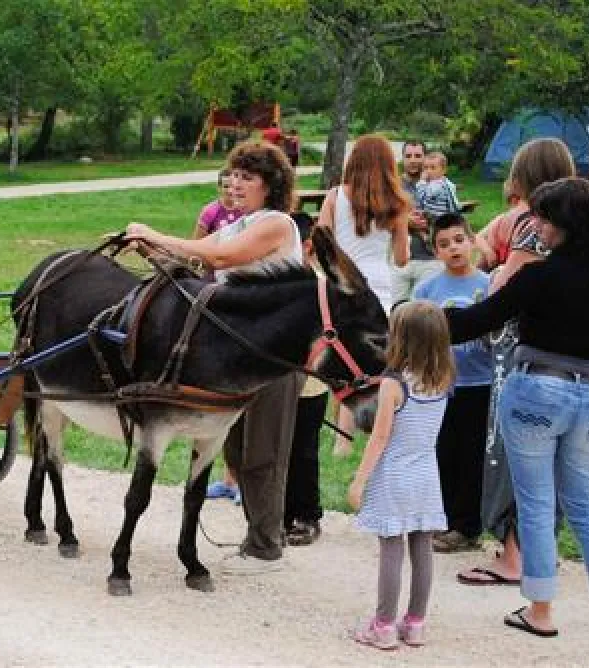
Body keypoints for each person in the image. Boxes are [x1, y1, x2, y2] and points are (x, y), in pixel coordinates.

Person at [445, 176, 589, 639]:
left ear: (562, 224)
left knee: (536, 505)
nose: (535, 224)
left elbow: (478, 321)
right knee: (584, 508)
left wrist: (416, 318)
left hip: (536, 390)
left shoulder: (537, 276)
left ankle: (540, 613)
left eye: (542, 217)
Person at [125, 140, 303, 574]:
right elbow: (196, 252)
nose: (235, 183)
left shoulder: (277, 224)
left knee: (264, 450)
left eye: (247, 177)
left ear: (270, 184)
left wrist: (154, 232)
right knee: (238, 451)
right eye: (233, 175)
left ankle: (266, 544)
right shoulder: (240, 225)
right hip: (242, 354)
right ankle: (257, 536)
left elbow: (222, 257)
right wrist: (149, 248)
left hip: (276, 355)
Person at [456, 137, 575, 587]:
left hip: (517, 354)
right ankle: (538, 550)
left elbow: (504, 286)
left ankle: (513, 557)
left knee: (510, 451)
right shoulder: (578, 226)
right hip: (565, 355)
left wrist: (489, 278)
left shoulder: (532, 228)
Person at [347, 301, 454, 650]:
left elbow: (379, 438)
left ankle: (382, 626)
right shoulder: (443, 378)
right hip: (427, 473)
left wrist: (360, 480)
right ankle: (415, 623)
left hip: (394, 473)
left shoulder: (393, 385)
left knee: (391, 551)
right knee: (422, 549)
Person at [316, 134, 411, 454]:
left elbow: (322, 242)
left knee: (344, 357)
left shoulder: (334, 197)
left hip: (342, 283)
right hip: (379, 287)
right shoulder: (397, 204)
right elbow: (402, 258)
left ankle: (341, 441)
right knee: (375, 363)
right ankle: (378, 432)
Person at [413, 214, 492, 553]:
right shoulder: (427, 290)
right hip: (440, 385)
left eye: (459, 240)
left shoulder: (489, 285)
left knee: (472, 456)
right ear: (435, 251)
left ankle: (466, 525)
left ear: (472, 241)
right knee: (442, 452)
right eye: (444, 244)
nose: (454, 248)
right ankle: (440, 519)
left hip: (480, 383)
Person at [197, 169, 243, 505]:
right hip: (214, 294)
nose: (231, 191)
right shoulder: (211, 213)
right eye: (225, 185)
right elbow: (199, 248)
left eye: (235, 185)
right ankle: (228, 478)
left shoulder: (250, 219)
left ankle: (237, 479)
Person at [284, 212, 328, 546]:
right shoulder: (279, 283)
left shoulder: (319, 285)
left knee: (303, 450)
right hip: (278, 381)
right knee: (277, 448)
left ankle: (307, 514)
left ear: (307, 246)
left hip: (310, 383)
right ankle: (279, 514)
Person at [391, 140, 443, 305]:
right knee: (394, 311)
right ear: (402, 159)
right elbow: (380, 218)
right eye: (408, 156)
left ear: (425, 157)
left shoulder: (439, 185)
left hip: (431, 260)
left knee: (424, 314)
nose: (413, 160)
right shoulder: (393, 186)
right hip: (398, 260)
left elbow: (450, 218)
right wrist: (405, 221)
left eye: (418, 156)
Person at [417, 151, 461, 219]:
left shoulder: (437, 184)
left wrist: (421, 181)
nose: (428, 171)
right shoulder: (444, 182)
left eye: (432, 168)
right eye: (425, 168)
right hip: (437, 216)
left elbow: (423, 195)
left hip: (438, 218)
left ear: (443, 170)